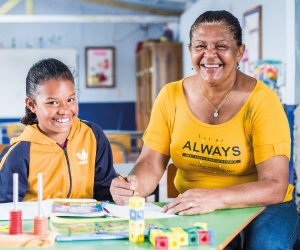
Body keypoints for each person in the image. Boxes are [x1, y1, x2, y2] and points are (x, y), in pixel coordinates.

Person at [110, 10, 300, 249]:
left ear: (240, 52)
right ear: (190, 50)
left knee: (267, 245)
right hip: (198, 205)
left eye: (221, 46)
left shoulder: (262, 102)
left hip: (264, 207)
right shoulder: (171, 96)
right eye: (200, 46)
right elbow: (150, 163)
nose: (210, 55)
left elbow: (274, 184)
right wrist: (132, 187)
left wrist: (216, 198)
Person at [0, 58, 116, 202]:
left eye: (70, 100)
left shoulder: (92, 135)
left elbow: (106, 193)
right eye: (53, 102)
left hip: (87, 224)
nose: (64, 110)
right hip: (39, 224)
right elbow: (6, 210)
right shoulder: (20, 153)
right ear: (32, 104)